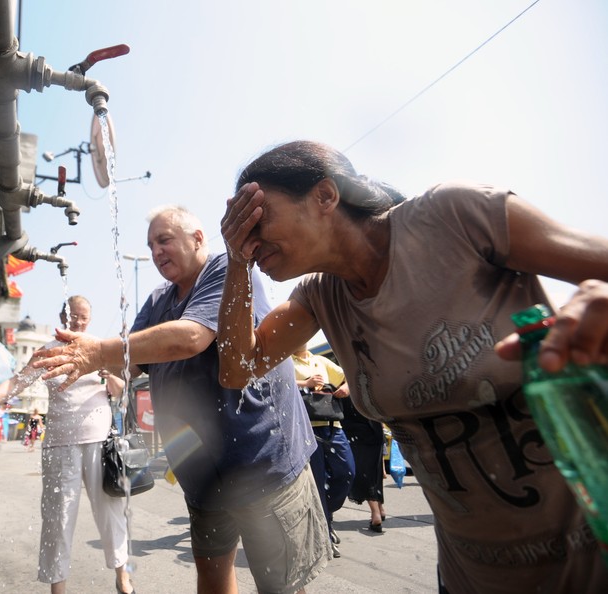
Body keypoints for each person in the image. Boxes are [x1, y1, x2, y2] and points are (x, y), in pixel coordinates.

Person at [217, 139, 608, 594]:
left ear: (325, 195)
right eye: (238, 229)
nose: (250, 240)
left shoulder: (455, 216)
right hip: (470, 577)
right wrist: (236, 263)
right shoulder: (320, 297)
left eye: (257, 218)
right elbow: (238, 368)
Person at [32, 206, 329, 594]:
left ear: (198, 238)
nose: (156, 252)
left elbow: (190, 338)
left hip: (261, 461)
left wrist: (99, 352)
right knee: (212, 575)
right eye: (151, 245)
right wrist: (79, 361)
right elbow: (130, 360)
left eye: (164, 240)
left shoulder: (228, 270)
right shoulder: (160, 298)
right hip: (201, 471)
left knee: (280, 585)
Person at [0, 296, 134, 594]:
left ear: (90, 319)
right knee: (57, 519)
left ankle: (122, 576)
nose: (77, 321)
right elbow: (15, 383)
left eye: (83, 317)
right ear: (62, 316)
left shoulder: (99, 347)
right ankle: (58, 588)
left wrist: (107, 373)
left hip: (99, 441)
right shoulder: (47, 351)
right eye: (73, 315)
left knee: (111, 512)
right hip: (60, 444)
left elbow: (121, 391)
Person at [291, 347, 355, 556]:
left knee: (347, 472)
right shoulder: (285, 361)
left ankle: (326, 512)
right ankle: (325, 535)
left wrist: (346, 388)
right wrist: (306, 384)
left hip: (333, 426)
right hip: (306, 429)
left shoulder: (321, 360)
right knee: (318, 482)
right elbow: (275, 384)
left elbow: (350, 376)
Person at [341, 396, 387, 533]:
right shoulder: (368, 386)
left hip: (356, 432)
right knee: (375, 472)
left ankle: (375, 514)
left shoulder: (344, 388)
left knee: (363, 474)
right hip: (375, 429)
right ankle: (380, 509)